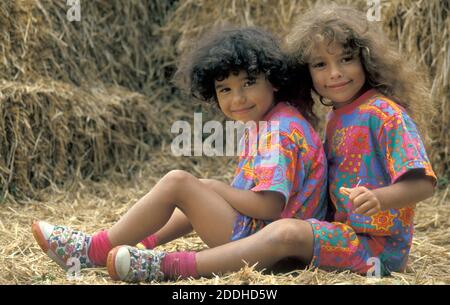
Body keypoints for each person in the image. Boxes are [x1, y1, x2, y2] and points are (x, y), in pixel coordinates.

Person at [32, 25, 328, 282]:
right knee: (195, 189)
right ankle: (141, 242)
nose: (238, 98)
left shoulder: (280, 132)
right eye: (225, 89)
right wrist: (213, 190)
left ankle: (93, 251)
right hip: (268, 237)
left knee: (179, 183)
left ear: (274, 80)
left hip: (266, 246)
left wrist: (214, 188)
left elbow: (269, 208)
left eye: (248, 83)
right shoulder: (274, 120)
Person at [280, 4, 436, 275]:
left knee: (287, 234)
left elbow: (424, 184)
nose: (335, 73)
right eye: (320, 64)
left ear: (367, 60)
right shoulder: (335, 117)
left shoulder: (385, 114)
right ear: (306, 73)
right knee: (273, 226)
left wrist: (380, 198)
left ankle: (186, 266)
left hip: (377, 250)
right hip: (344, 234)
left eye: (346, 59)